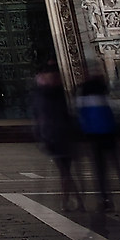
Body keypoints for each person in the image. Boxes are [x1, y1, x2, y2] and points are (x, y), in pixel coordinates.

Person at [75, 73, 120, 211]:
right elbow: (117, 113)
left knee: (100, 171)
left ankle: (104, 199)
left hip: (94, 138)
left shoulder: (83, 99)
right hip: (110, 136)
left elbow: (81, 119)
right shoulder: (106, 97)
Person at [29, 65, 82, 209]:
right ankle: (73, 200)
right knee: (65, 171)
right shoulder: (46, 95)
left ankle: (67, 201)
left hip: (59, 138)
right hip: (55, 138)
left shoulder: (54, 95)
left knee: (65, 171)